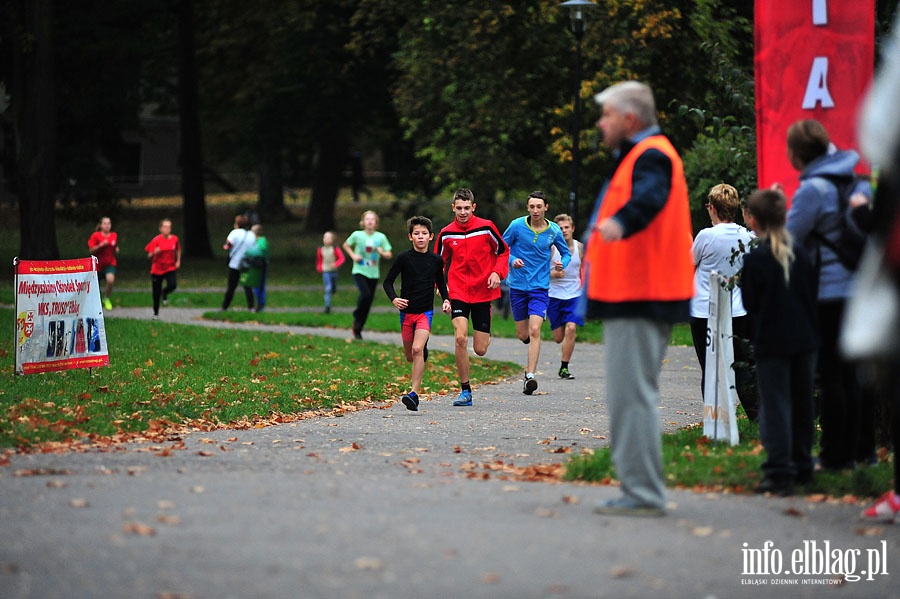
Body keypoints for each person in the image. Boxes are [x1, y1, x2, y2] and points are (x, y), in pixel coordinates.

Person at [584, 81, 694, 517]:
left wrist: (622, 222)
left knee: (633, 395)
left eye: (607, 114)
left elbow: (650, 195)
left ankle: (643, 494)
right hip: (636, 292)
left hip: (641, 293)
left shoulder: (651, 155)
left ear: (629, 119)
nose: (600, 122)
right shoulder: (641, 155)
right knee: (632, 394)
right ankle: (640, 490)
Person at [782, 119, 872, 470]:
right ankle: (862, 450)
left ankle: (836, 455)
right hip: (857, 288)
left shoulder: (813, 189)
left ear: (796, 154)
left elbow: (789, 240)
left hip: (829, 292)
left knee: (832, 375)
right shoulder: (850, 179)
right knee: (854, 376)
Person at [741, 189, 819, 496]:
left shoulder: (757, 259)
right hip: (805, 338)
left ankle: (778, 470)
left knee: (775, 405)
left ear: (753, 220)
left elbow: (750, 302)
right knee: (802, 402)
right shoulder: (801, 253)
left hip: (772, 340)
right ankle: (803, 463)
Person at [690, 183, 759, 421]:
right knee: (743, 366)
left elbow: (691, 265)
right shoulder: (748, 237)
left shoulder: (705, 237)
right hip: (738, 311)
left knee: (710, 367)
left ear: (712, 208)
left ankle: (716, 418)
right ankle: (755, 417)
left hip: (703, 311)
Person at [434, 188, 509, 406]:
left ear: (473, 207)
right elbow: (437, 262)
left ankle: (486, 329)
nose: (463, 212)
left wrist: (497, 272)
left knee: (480, 349)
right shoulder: (447, 233)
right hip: (457, 290)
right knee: (460, 338)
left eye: (467, 208)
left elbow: (503, 251)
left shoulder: (486, 227)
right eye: (459, 208)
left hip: (482, 290)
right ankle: (465, 390)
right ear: (453, 208)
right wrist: (440, 285)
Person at [502, 192, 571, 394]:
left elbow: (565, 253)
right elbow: (502, 248)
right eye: (531, 206)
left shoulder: (554, 231)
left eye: (539, 206)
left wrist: (562, 263)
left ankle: (530, 376)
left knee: (534, 330)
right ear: (527, 208)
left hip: (540, 287)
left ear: (546, 208)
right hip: (517, 286)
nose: (535, 210)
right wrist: (512, 260)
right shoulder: (516, 226)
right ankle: (526, 340)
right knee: (523, 333)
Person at [382, 216, 451, 411]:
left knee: (417, 350)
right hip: (406, 314)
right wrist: (394, 299)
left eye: (424, 234)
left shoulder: (436, 260)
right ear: (410, 237)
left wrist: (446, 300)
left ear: (431, 236)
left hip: (424, 313)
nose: (420, 237)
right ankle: (421, 350)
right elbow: (387, 282)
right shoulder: (404, 258)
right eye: (416, 234)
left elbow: (440, 282)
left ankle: (414, 394)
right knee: (410, 356)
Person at [343, 210, 393, 340]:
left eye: (372, 219)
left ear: (376, 223)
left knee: (368, 301)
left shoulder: (380, 237)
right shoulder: (357, 235)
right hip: (359, 270)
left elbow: (389, 254)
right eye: (367, 219)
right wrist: (353, 256)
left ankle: (358, 328)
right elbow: (346, 245)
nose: (370, 221)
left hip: (373, 273)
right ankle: (357, 314)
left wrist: (382, 253)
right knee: (366, 294)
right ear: (363, 222)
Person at [548, 213, 584, 380]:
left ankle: (564, 367)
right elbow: (538, 273)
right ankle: (561, 333)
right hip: (553, 296)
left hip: (574, 295)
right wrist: (552, 274)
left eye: (566, 227)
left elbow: (588, 270)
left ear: (573, 229)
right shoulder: (551, 249)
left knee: (571, 328)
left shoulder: (580, 248)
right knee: (558, 338)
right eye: (560, 228)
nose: (563, 231)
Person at [144, 218, 181, 319]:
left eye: (169, 227)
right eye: (165, 227)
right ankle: (155, 313)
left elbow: (178, 249)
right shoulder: (156, 240)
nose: (167, 229)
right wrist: (154, 253)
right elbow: (149, 255)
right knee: (156, 292)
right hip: (157, 269)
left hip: (170, 267)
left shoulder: (174, 239)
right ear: (160, 228)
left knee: (173, 284)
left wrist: (178, 261)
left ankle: (164, 293)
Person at [221, 214, 256, 312]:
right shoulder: (251, 235)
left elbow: (227, 246)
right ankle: (251, 307)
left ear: (237, 224)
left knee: (231, 287)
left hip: (235, 264)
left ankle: (224, 306)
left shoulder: (234, 233)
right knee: (248, 286)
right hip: (247, 264)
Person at [87, 216, 119, 311]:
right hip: (97, 265)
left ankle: (106, 298)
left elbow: (114, 246)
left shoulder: (113, 235)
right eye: (105, 224)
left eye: (109, 223)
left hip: (110, 263)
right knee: (95, 285)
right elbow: (91, 250)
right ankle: (94, 303)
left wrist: (116, 249)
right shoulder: (95, 236)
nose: (107, 226)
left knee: (110, 280)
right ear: (100, 225)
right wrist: (101, 245)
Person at [240, 224, 269, 312]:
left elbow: (261, 251)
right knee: (256, 286)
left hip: (260, 265)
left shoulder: (262, 240)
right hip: (255, 265)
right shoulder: (255, 241)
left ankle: (260, 304)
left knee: (259, 285)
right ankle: (258, 304)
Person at [316, 231, 346, 314]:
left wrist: (336, 264)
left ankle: (333, 290)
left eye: (329, 238)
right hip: (326, 271)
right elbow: (319, 259)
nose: (326, 239)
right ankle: (327, 306)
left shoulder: (335, 249)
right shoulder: (321, 249)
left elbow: (341, 258)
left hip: (334, 271)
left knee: (333, 287)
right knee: (328, 288)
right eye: (325, 237)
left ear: (332, 240)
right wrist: (319, 267)